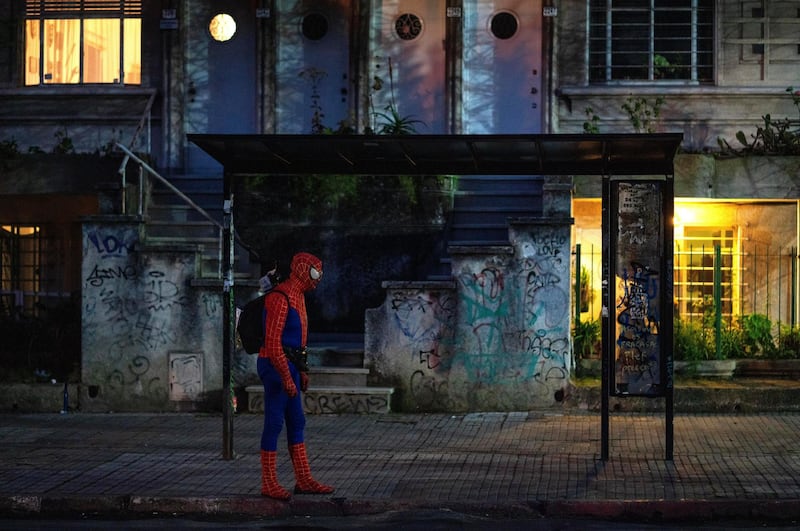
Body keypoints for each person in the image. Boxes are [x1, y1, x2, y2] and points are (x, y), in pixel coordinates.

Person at [257, 251, 334, 500]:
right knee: (275, 422)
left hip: (289, 365)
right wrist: (286, 377)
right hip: (274, 365)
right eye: (314, 272)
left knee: (297, 422)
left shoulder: (298, 296)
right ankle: (269, 482)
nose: (318, 278)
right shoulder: (281, 297)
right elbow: (273, 342)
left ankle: (303, 478)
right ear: (302, 270)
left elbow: (299, 340)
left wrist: (301, 370)